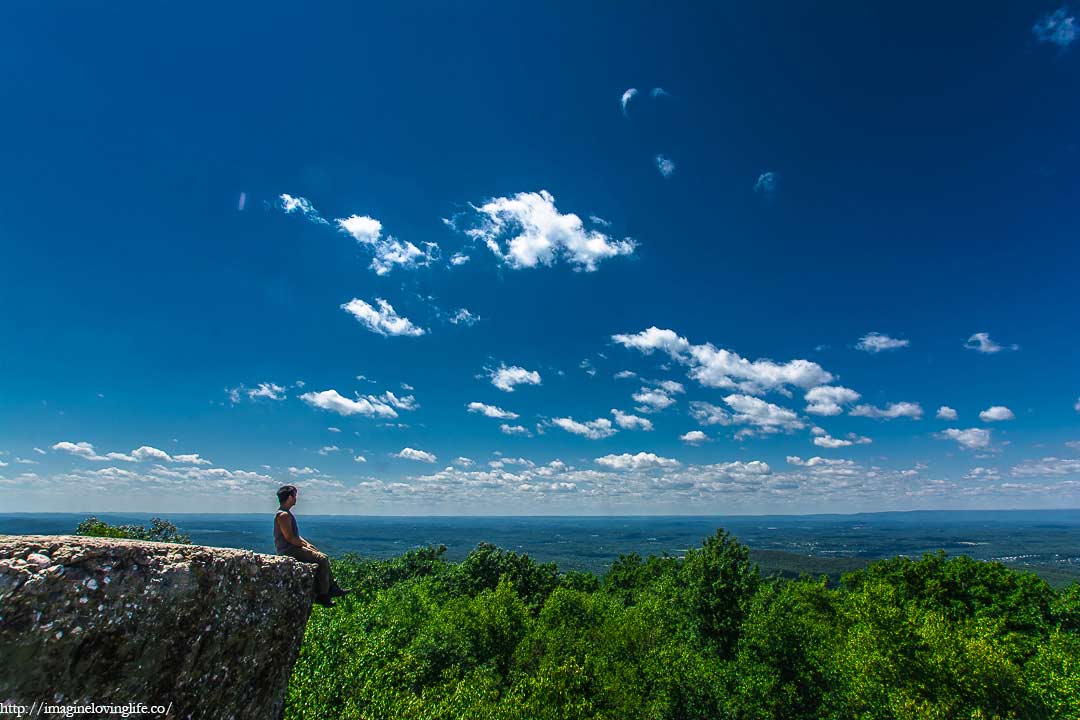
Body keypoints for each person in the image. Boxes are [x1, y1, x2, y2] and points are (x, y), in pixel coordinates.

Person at [274, 485, 348, 607]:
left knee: (321, 556)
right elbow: (290, 538)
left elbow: (295, 536)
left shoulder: (285, 514)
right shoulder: (284, 515)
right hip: (289, 550)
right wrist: (306, 547)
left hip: (291, 548)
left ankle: (332, 587)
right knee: (322, 559)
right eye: (294, 495)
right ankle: (324, 595)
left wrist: (308, 545)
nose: (296, 498)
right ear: (290, 497)